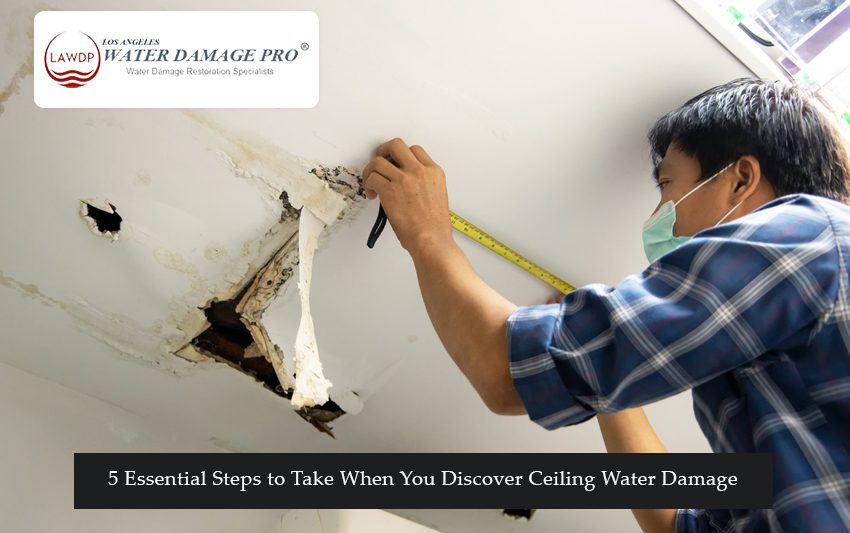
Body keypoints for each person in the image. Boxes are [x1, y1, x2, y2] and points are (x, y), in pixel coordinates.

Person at [360, 78, 850, 532]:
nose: (659, 216)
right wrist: (605, 385)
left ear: (740, 179)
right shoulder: (786, 331)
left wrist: (428, 233)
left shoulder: (806, 236)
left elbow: (503, 376)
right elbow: (679, 526)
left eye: (667, 185)